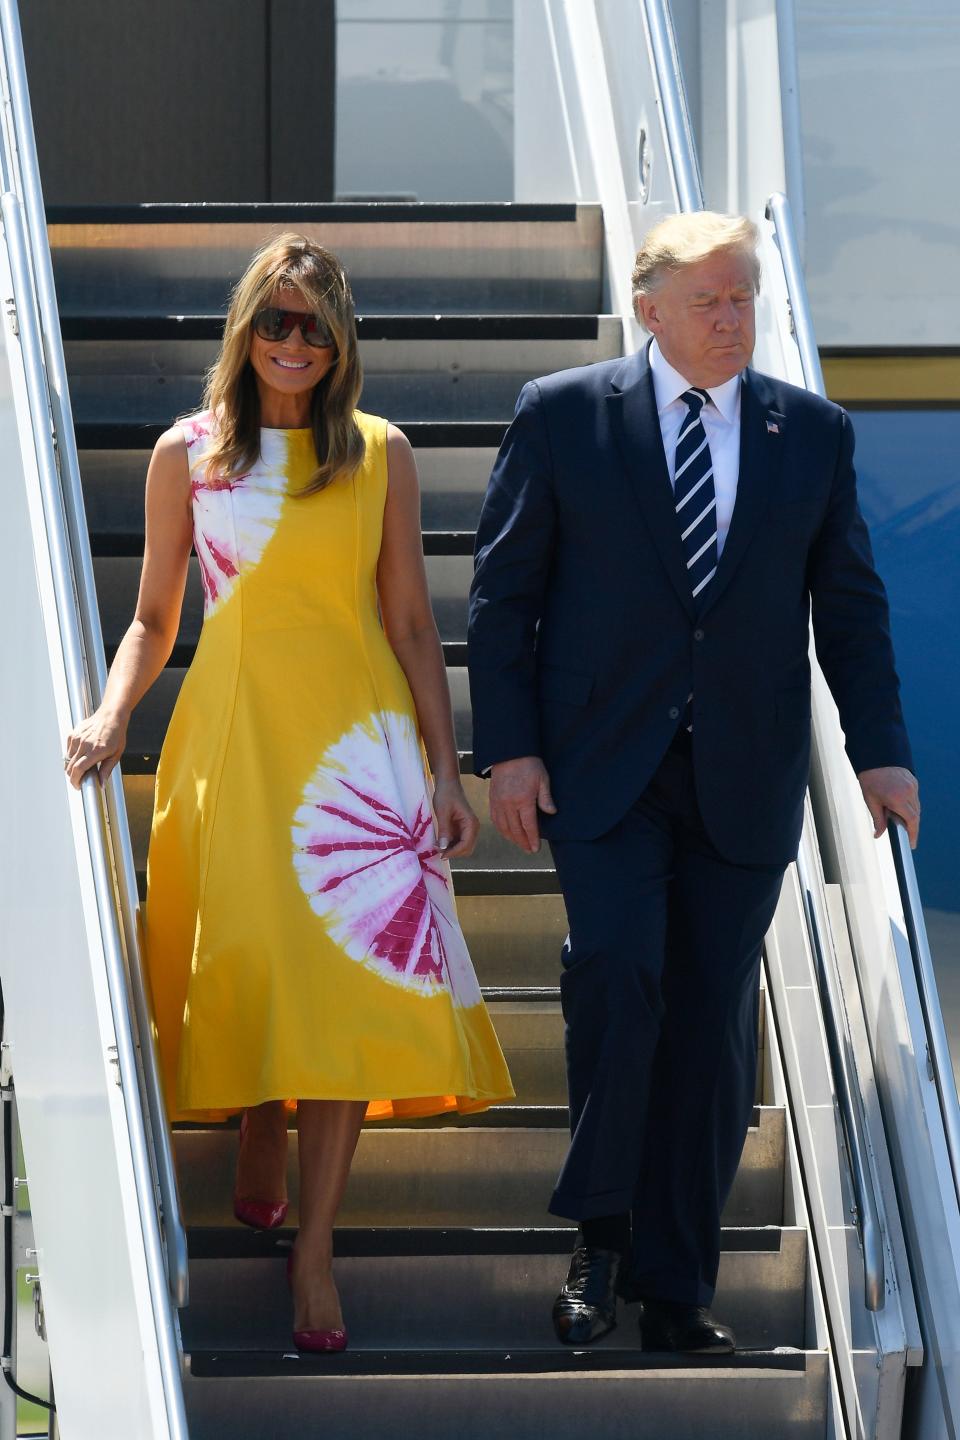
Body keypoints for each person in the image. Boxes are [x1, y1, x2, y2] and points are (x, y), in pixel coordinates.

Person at [467, 211, 919, 1353]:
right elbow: (503, 596)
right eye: (710, 300)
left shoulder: (808, 432)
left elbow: (851, 609)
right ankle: (599, 1236)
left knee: (712, 1023)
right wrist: (507, 750)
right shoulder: (565, 415)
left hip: (740, 775)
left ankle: (676, 1287)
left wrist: (882, 751)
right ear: (651, 304)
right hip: (600, 772)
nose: (732, 320)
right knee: (617, 976)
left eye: (745, 299)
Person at [65, 232, 513, 1353]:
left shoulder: (379, 453)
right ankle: (259, 1113)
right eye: (276, 320)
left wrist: (444, 767)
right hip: (235, 737)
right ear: (245, 329)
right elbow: (154, 620)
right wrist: (111, 715)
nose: (294, 343)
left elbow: (413, 620)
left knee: (346, 991)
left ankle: (316, 1252)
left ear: (341, 337)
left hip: (358, 752)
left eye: (315, 324)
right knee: (258, 956)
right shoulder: (189, 454)